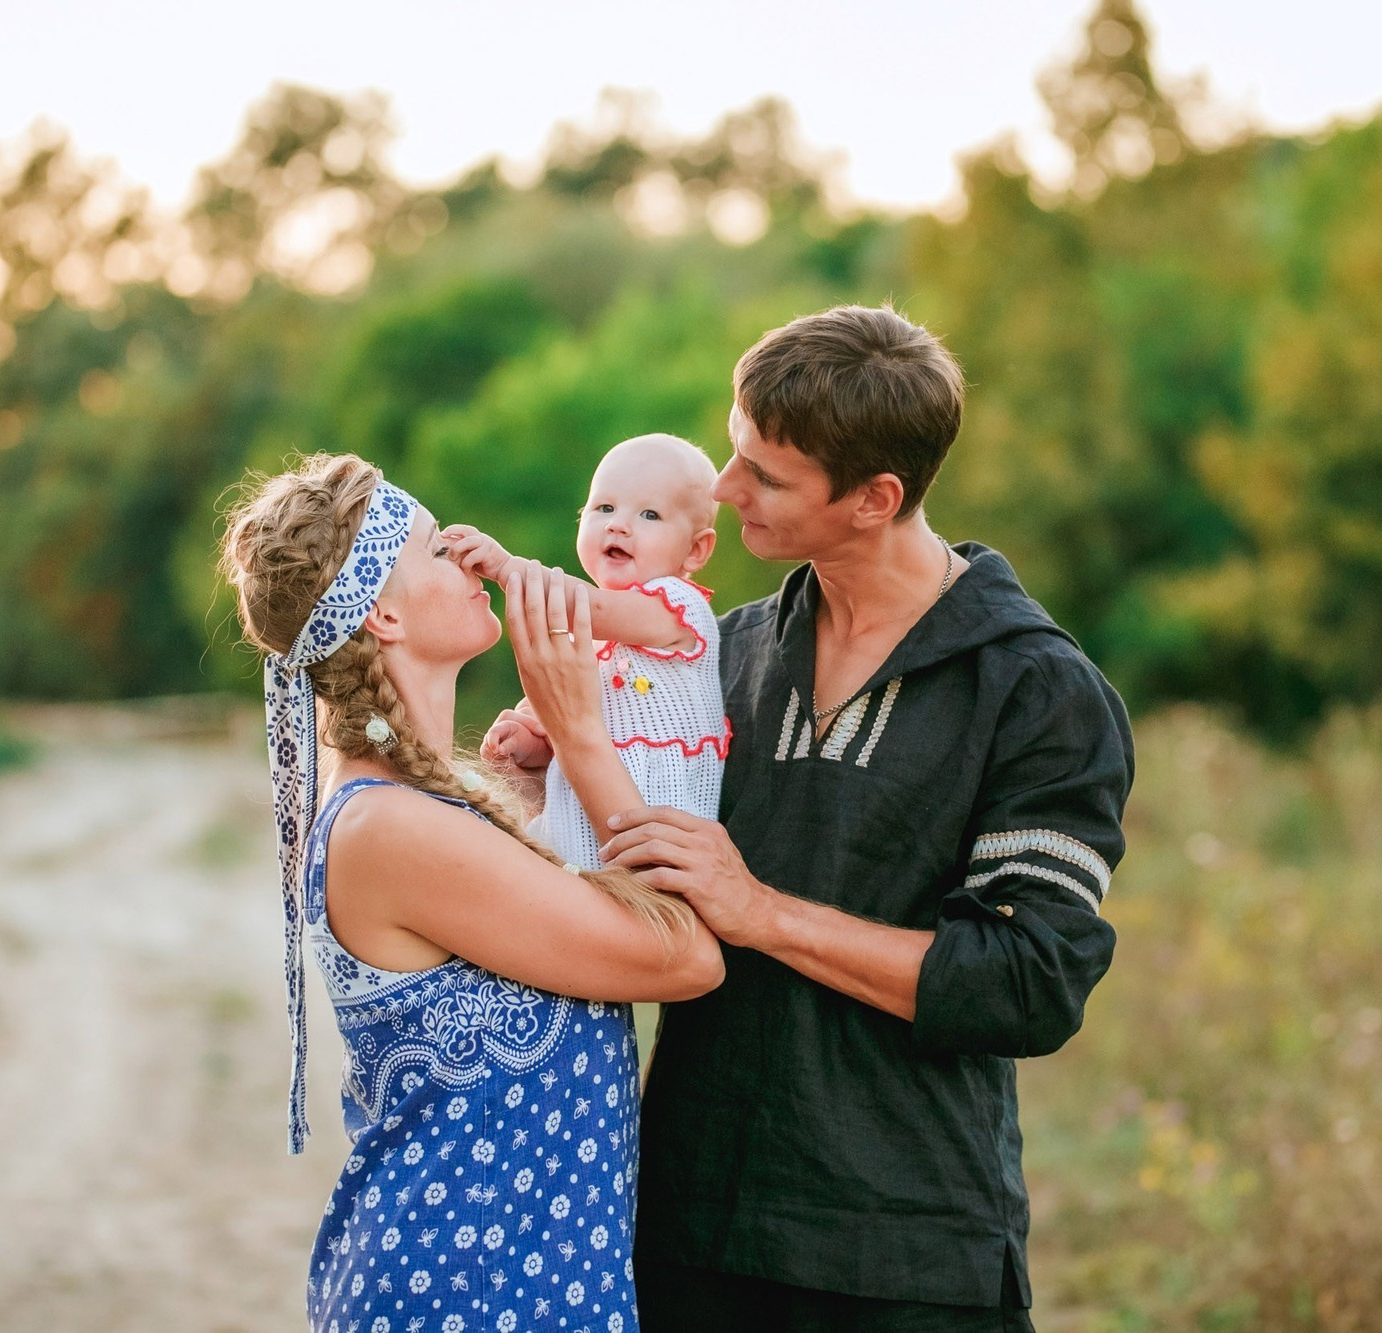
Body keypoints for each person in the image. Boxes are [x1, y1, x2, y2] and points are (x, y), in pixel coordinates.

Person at [599, 306, 1136, 1331]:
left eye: (766, 473)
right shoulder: (720, 651)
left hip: (903, 1256)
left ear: (874, 499)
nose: (721, 487)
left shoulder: (1036, 692)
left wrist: (759, 910)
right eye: (731, 447)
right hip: (685, 1233)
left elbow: (1024, 987)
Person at [220, 453, 723, 1333]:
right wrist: (581, 734)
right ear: (383, 609)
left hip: (518, 1281)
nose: (464, 554)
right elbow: (684, 955)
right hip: (469, 1288)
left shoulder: (436, 800)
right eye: (431, 546)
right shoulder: (392, 829)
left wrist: (553, 773)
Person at [440, 433, 729, 872]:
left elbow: (591, 606)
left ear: (696, 548)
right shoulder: (591, 635)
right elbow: (570, 732)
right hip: (581, 838)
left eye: (649, 514)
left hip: (658, 841)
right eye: (603, 508)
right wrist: (533, 745)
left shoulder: (676, 606)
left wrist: (508, 569)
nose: (618, 524)